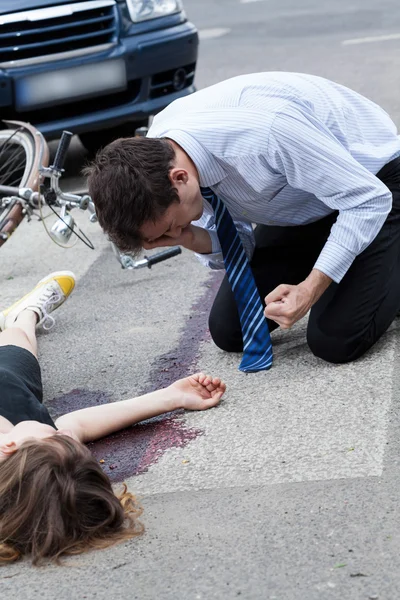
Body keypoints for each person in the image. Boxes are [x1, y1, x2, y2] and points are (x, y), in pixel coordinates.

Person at [85, 71, 400, 366]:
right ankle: (346, 252)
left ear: (179, 179)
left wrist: (310, 287)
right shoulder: (159, 154)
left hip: (375, 183)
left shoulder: (263, 135)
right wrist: (188, 237)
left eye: (171, 226)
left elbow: (367, 199)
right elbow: (240, 241)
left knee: (336, 338)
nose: (176, 232)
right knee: (231, 329)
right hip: (304, 203)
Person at [0, 272, 226, 565]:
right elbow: (78, 425)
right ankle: (25, 314)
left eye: (59, 437)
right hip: (13, 391)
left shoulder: (30, 455)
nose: (66, 434)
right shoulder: (32, 455)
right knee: (19, 337)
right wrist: (171, 397)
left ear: (10, 448)